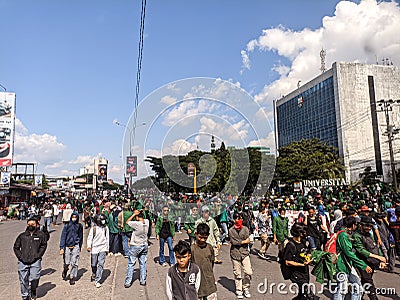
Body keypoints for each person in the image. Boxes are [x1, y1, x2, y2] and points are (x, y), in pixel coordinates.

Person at [333, 216, 372, 300]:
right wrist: (363, 265)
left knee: (358, 288)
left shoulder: (346, 234)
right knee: (342, 289)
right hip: (341, 266)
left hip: (349, 265)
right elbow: (349, 253)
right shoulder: (343, 235)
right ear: (353, 225)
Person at [352, 215, 386, 300]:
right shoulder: (356, 235)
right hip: (362, 262)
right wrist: (378, 257)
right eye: (367, 226)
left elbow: (375, 247)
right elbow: (361, 250)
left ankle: (359, 297)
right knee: (368, 282)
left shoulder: (369, 234)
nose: (369, 228)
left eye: (370, 226)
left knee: (365, 281)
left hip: (370, 262)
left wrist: (381, 259)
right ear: (361, 225)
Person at [13, 217, 48, 300]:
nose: (30, 226)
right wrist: (20, 256)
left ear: (36, 225)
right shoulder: (22, 236)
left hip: (35, 261)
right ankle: (25, 296)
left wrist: (39, 255)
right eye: (29, 224)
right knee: (23, 280)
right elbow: (16, 247)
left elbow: (44, 245)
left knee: (35, 277)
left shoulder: (40, 235)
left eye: (32, 224)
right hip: (23, 261)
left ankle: (33, 289)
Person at [282, 223, 313, 300]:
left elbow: (307, 251)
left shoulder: (302, 241)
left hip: (304, 272)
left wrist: (309, 256)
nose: (305, 233)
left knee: (301, 293)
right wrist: (302, 264)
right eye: (304, 231)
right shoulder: (291, 245)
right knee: (308, 294)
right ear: (299, 233)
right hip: (296, 274)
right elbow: (288, 262)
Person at [229, 213, 253, 299]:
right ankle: (239, 290)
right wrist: (243, 242)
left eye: (240, 219)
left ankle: (246, 288)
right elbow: (234, 242)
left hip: (245, 253)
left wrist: (245, 241)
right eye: (236, 219)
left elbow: (248, 239)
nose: (238, 220)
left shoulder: (245, 229)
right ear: (234, 220)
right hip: (235, 254)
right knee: (238, 273)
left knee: (248, 272)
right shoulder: (231, 230)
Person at [191, 223, 218, 300]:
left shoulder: (209, 247)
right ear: (196, 234)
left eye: (205, 238)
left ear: (208, 235)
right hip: (196, 283)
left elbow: (211, 263)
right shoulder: (192, 249)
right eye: (200, 237)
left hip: (209, 283)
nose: (202, 240)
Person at [124, 209, 149, 288]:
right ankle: (143, 280)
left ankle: (128, 282)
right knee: (143, 263)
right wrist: (141, 212)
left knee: (131, 263)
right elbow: (144, 217)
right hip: (144, 244)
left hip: (135, 245)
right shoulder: (147, 222)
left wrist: (134, 215)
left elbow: (127, 222)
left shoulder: (136, 224)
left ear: (137, 217)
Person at [59, 212, 83, 285]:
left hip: (75, 245)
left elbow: (81, 236)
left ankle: (72, 277)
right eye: (73, 217)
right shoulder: (67, 226)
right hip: (67, 246)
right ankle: (65, 269)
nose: (74, 218)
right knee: (67, 262)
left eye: (76, 217)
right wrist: (62, 247)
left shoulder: (79, 226)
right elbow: (63, 236)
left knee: (74, 262)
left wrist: (80, 246)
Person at [87, 214, 110, 288]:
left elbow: (107, 238)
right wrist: (88, 246)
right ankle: (94, 272)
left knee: (101, 264)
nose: (104, 221)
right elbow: (90, 238)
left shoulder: (106, 228)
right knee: (94, 264)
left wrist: (107, 248)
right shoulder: (93, 229)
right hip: (94, 248)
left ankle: (97, 280)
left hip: (102, 247)